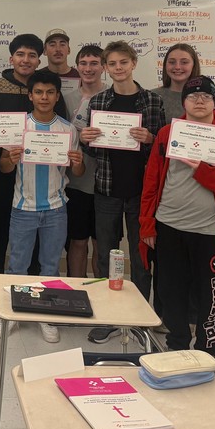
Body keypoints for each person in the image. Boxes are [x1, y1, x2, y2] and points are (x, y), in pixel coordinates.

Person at [139, 76, 215, 357]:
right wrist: (148, 224)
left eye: (206, 96)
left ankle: (208, 347)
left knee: (208, 295)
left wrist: (205, 170)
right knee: (170, 291)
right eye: (193, 96)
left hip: (210, 231)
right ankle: (176, 344)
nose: (199, 101)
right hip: (169, 225)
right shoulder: (168, 133)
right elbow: (152, 181)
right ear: (184, 102)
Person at [0, 33, 66, 323]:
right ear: (11, 58)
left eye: (32, 55)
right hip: (1, 173)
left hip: (39, 177)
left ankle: (38, 301)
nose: (26, 60)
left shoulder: (47, 87)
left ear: (39, 59)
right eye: (21, 55)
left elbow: (60, 130)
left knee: (38, 243)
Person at [80, 40, 165, 342]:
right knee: (106, 256)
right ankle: (108, 316)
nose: (118, 68)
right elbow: (90, 150)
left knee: (142, 260)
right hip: (106, 190)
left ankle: (139, 320)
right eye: (112, 64)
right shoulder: (99, 102)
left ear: (133, 64)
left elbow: (163, 151)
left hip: (141, 194)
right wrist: (86, 139)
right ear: (105, 68)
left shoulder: (152, 102)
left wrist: (151, 138)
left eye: (123, 63)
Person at [0, 69, 83, 343]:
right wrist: (10, 158)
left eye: (49, 92)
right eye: (38, 92)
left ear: (57, 96)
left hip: (56, 208)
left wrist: (79, 164)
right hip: (23, 208)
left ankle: (46, 315)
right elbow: (3, 167)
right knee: (17, 265)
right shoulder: (18, 126)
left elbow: (76, 173)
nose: (44, 97)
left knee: (49, 266)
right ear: (30, 95)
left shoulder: (68, 130)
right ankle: (11, 315)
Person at [62, 44, 105, 277]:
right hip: (75, 184)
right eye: (84, 63)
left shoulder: (114, 97)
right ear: (77, 66)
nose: (88, 69)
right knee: (77, 242)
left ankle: (100, 297)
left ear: (103, 67)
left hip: (106, 185)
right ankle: (75, 291)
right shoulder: (66, 100)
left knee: (102, 244)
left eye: (94, 63)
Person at [152, 43, 215, 121]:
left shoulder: (209, 98)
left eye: (184, 62)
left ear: (194, 65)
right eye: (172, 62)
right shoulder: (152, 97)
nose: (177, 67)